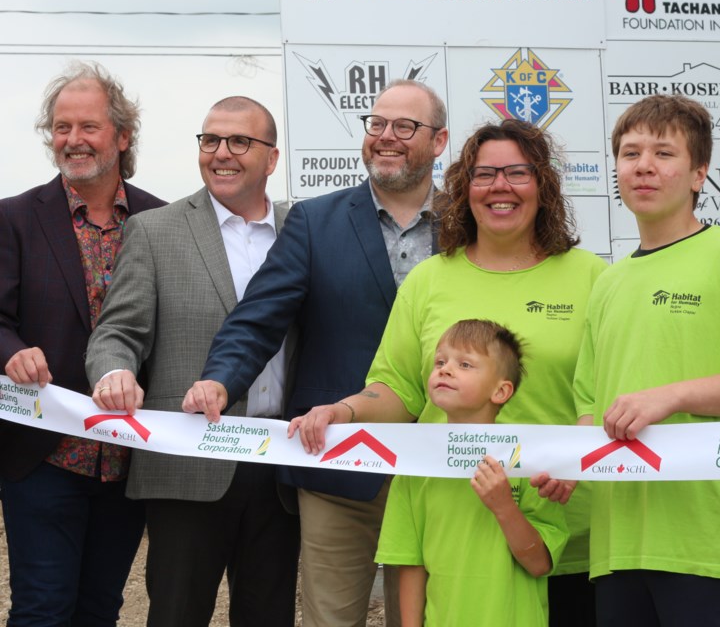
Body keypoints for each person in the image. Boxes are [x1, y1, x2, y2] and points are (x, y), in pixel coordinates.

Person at [289, 118, 609, 626]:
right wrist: (343, 410)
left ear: (543, 185)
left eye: (517, 173)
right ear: (464, 188)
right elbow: (398, 388)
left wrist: (582, 449)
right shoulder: (428, 280)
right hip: (456, 541)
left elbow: (614, 391)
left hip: (565, 535)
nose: (499, 186)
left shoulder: (595, 277)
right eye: (484, 175)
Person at [182, 79, 449, 627]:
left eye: (405, 126)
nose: (386, 137)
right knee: (331, 619)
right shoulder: (315, 220)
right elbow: (257, 321)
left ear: (439, 141)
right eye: (376, 124)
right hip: (337, 463)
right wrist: (221, 381)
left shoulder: (470, 223)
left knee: (429, 619)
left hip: (442, 464)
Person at [571, 95, 720, 626]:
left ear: (700, 173)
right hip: (620, 547)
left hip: (715, 545)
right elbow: (588, 403)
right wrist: (574, 461)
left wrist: (670, 397)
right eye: (630, 154)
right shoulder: (608, 283)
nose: (644, 166)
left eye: (664, 153)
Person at [85, 96, 299, 627]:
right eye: (210, 140)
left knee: (269, 616)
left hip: (284, 464)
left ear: (271, 158)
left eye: (239, 142)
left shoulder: (304, 230)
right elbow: (118, 331)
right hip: (187, 465)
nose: (220, 153)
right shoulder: (155, 230)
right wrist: (114, 372)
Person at [0, 61, 164, 627]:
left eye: (88, 127)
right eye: (62, 127)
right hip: (43, 456)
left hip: (127, 461)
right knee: (43, 609)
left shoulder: (161, 220)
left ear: (122, 136)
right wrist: (10, 352)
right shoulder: (15, 219)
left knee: (100, 609)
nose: (73, 140)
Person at [375, 319, 568, 626]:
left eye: (465, 364)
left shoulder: (530, 462)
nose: (445, 369)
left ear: (501, 391)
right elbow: (410, 564)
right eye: (440, 361)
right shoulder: (414, 465)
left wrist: (504, 507)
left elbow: (539, 563)